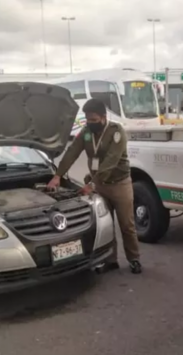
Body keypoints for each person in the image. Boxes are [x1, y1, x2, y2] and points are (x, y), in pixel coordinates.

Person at [47, 98, 142, 274]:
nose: (90, 123)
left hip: (119, 184)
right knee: (106, 224)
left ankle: (134, 258)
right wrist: (57, 176)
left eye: (94, 120)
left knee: (127, 225)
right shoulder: (86, 133)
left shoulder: (117, 132)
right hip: (99, 185)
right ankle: (110, 260)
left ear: (104, 117)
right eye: (88, 120)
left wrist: (91, 184)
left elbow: (111, 161)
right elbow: (72, 152)